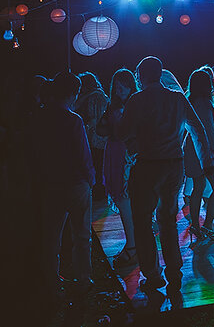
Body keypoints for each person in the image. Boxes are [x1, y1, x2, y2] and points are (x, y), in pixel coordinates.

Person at [117, 56, 214, 293]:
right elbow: (198, 130)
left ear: (141, 76)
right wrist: (205, 162)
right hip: (174, 165)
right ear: (160, 74)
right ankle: (174, 272)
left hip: (148, 165)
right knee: (168, 221)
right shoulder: (177, 98)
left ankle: (153, 275)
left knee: (142, 222)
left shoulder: (136, 100)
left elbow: (123, 133)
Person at [36, 72, 96, 309]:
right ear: (72, 93)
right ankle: (83, 279)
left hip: (51, 184)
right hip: (75, 183)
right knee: (82, 235)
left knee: (51, 237)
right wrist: (91, 178)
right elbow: (83, 154)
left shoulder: (40, 117)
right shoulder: (73, 120)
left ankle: (52, 283)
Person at [96, 68, 138, 267]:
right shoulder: (113, 105)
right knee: (122, 199)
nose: (120, 90)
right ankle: (132, 243)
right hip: (114, 151)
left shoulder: (134, 104)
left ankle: (132, 245)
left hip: (126, 153)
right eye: (118, 87)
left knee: (125, 198)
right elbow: (101, 129)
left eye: (124, 86)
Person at [185, 69, 214, 242]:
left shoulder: (189, 101)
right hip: (205, 152)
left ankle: (195, 226)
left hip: (190, 148)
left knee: (198, 187)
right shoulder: (204, 103)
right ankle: (208, 226)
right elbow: (210, 132)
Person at [75, 72, 109, 197]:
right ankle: (100, 191)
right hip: (101, 138)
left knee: (97, 166)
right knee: (99, 166)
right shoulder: (101, 95)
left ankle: (98, 192)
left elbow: (95, 119)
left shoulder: (94, 97)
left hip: (96, 138)